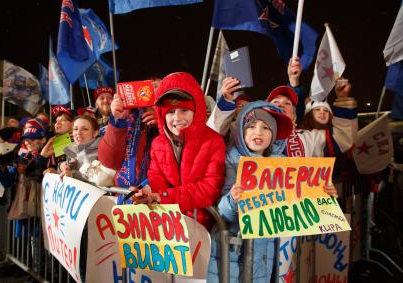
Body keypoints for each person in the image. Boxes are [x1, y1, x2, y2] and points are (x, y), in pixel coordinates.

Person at [207, 100, 338, 282]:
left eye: (266, 128)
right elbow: (223, 212)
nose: (258, 132)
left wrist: (325, 196)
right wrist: (232, 200)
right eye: (251, 126)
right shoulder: (231, 160)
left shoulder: (283, 163)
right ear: (241, 131)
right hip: (232, 251)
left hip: (267, 251)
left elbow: (300, 206)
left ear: (274, 135)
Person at [129, 72, 226, 229]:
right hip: (168, 225)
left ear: (197, 110)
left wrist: (164, 197)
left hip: (201, 227)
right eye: (170, 112)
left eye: (184, 110)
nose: (177, 118)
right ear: (161, 114)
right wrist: (147, 191)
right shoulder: (158, 143)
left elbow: (209, 189)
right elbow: (156, 177)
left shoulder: (213, 141)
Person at [267, 82, 357, 157]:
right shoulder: (253, 132)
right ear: (265, 109)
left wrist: (343, 98)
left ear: (293, 116)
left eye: (287, 103)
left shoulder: (309, 138)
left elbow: (341, 139)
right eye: (275, 102)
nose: (281, 105)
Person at [58, 115, 101, 182]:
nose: (78, 132)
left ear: (95, 133)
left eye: (85, 129)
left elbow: (98, 177)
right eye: (75, 129)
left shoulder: (102, 150)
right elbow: (66, 169)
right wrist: (61, 167)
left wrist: (72, 174)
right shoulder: (72, 148)